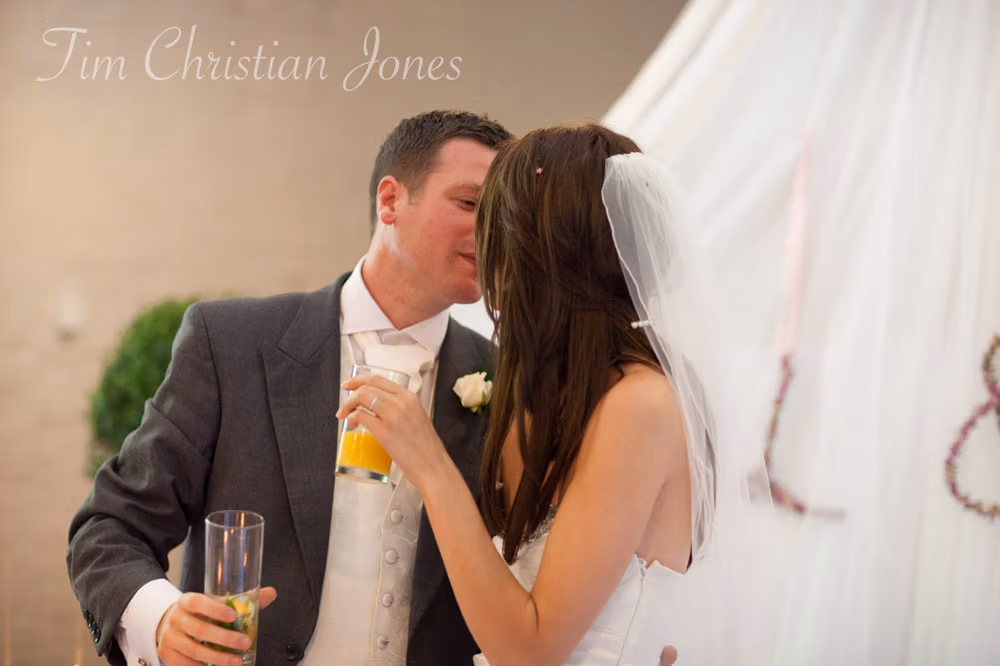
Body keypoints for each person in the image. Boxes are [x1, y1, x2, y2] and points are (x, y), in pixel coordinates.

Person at [67, 109, 513, 666]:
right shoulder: (230, 343)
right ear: (391, 201)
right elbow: (110, 527)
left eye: (502, 214)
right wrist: (159, 620)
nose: (492, 230)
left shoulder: (513, 382)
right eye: (470, 205)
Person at [339, 123, 760, 664]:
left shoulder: (640, 405)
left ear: (546, 251)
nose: (486, 252)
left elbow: (531, 649)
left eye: (495, 227)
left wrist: (429, 464)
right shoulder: (555, 395)